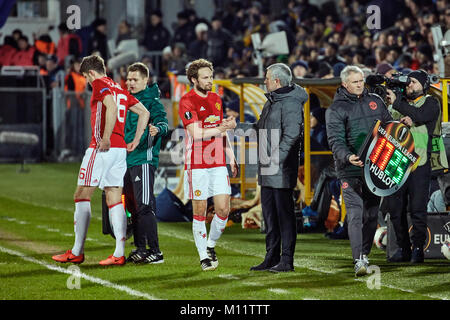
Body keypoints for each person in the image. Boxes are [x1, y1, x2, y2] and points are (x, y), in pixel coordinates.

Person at [52, 55, 150, 266]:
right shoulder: (119, 87)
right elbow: (144, 112)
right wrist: (134, 140)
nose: (88, 82)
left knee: (81, 194)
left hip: (101, 148)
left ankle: (77, 251)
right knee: (114, 196)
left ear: (92, 73)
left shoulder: (99, 83)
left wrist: (105, 137)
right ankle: (118, 253)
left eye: (86, 77)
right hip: (120, 150)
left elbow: (111, 107)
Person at [230, 63, 307, 272]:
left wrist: (276, 159)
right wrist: (235, 126)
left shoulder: (290, 103)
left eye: (266, 78)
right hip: (268, 168)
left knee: (284, 215)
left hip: (281, 168)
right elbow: (257, 129)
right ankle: (271, 257)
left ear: (276, 81)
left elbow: (292, 135)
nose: (264, 81)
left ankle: (287, 260)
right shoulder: (273, 101)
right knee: (270, 215)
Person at [326, 65, 392, 276]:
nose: (360, 85)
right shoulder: (335, 109)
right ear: (344, 84)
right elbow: (335, 140)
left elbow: (389, 127)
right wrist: (347, 157)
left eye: (361, 80)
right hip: (350, 169)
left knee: (372, 214)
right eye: (355, 82)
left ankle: (365, 253)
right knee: (355, 213)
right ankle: (358, 260)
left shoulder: (376, 101)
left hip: (375, 167)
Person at [178, 58, 237, 271]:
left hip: (218, 161)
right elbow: (196, 133)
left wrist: (230, 155)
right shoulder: (187, 101)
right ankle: (203, 256)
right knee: (200, 209)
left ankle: (210, 245)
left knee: (223, 209)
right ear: (194, 79)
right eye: (205, 77)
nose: (210, 80)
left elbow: (220, 129)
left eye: (211, 76)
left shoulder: (217, 98)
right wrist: (223, 129)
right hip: (197, 163)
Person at [385, 69, 442, 263]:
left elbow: (420, 114)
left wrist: (398, 103)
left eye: (414, 82)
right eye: (408, 82)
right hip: (396, 163)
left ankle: (418, 248)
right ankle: (403, 248)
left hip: (420, 164)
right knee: (395, 208)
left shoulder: (431, 102)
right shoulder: (399, 105)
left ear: (424, 86)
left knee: (418, 209)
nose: (410, 85)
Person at [124, 62, 169, 264]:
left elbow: (164, 123)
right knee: (132, 206)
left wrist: (158, 129)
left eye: (135, 79)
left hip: (144, 157)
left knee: (144, 205)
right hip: (127, 158)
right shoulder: (127, 100)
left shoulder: (152, 102)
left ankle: (156, 251)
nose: (130, 82)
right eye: (128, 79)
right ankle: (141, 248)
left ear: (145, 80)